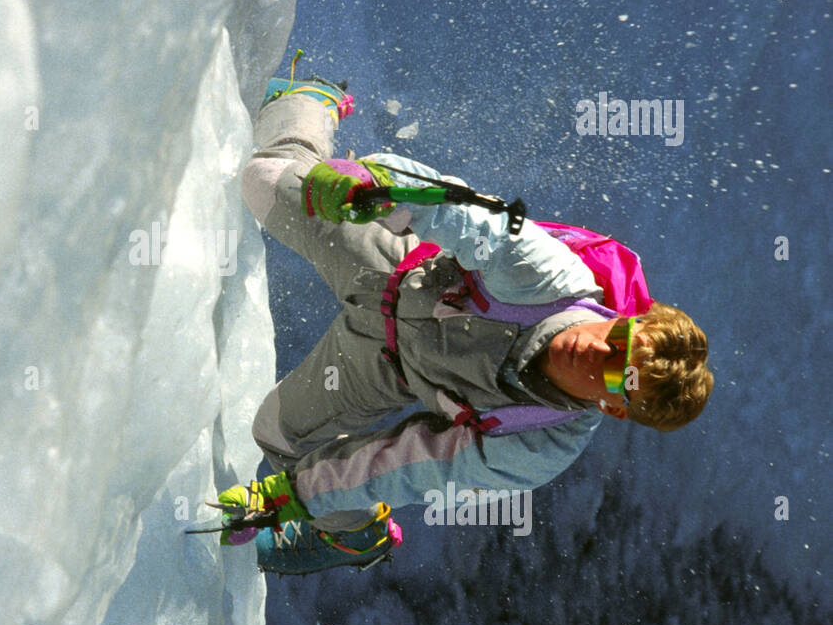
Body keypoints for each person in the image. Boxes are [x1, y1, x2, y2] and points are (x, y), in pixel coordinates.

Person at [218, 57, 712, 573]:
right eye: (619, 337)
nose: (596, 347)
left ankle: (355, 538)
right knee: (263, 179)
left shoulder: (538, 444)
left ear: (612, 408)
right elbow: (471, 219)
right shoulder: (553, 282)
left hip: (385, 368)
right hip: (394, 261)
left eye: (614, 370)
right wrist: (378, 188)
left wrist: (295, 497)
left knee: (275, 433)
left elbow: (408, 467)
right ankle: (309, 100)